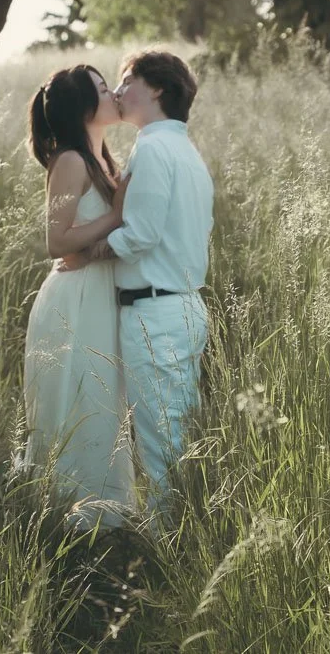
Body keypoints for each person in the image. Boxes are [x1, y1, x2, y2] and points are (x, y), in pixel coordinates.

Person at [92, 49, 213, 519]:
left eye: (127, 81)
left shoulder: (154, 147)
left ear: (156, 89)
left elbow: (140, 234)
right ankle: (186, 538)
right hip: (180, 308)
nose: (119, 92)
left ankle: (170, 550)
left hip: (156, 314)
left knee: (161, 442)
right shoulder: (184, 150)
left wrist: (90, 253)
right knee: (175, 435)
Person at [21, 64, 136, 530]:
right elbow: (56, 242)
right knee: (83, 398)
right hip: (74, 302)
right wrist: (116, 216)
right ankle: (72, 520)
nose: (114, 94)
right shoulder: (69, 161)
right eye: (104, 89)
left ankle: (109, 519)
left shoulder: (103, 157)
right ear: (84, 108)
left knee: (107, 401)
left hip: (102, 294)